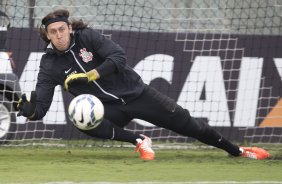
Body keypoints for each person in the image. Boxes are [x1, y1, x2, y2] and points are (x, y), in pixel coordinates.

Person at [17, 9, 270, 161]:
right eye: (53, 32)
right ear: (47, 35)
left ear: (70, 28)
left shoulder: (87, 38)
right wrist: (29, 111)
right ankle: (138, 140)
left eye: (62, 29)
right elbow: (41, 108)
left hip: (137, 94)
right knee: (81, 119)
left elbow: (119, 57)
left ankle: (237, 150)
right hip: (109, 109)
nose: (59, 35)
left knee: (189, 124)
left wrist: (90, 75)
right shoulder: (49, 65)